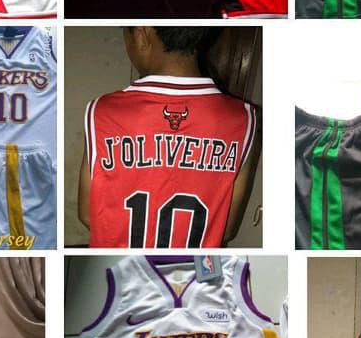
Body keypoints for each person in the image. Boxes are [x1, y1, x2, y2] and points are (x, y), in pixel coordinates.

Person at [78, 26, 261, 248]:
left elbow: (87, 214)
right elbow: (227, 228)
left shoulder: (102, 111)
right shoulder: (243, 118)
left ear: (142, 34)